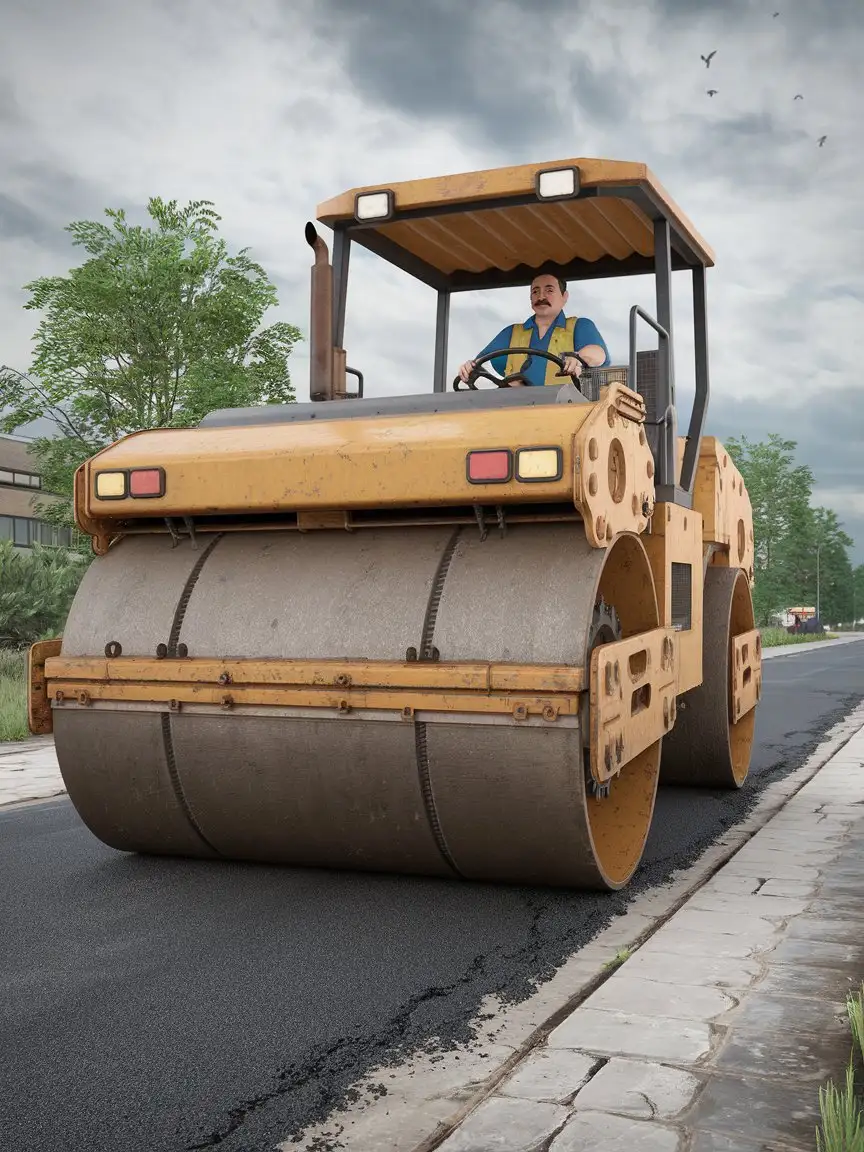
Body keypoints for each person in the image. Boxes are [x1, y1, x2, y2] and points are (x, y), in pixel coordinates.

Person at [458, 271, 610, 387]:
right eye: (535, 292)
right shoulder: (511, 333)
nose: (541, 296)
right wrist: (468, 368)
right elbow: (478, 363)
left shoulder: (580, 326)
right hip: (516, 412)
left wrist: (578, 358)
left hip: (568, 411)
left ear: (564, 296)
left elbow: (598, 353)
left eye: (549, 290)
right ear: (530, 299)